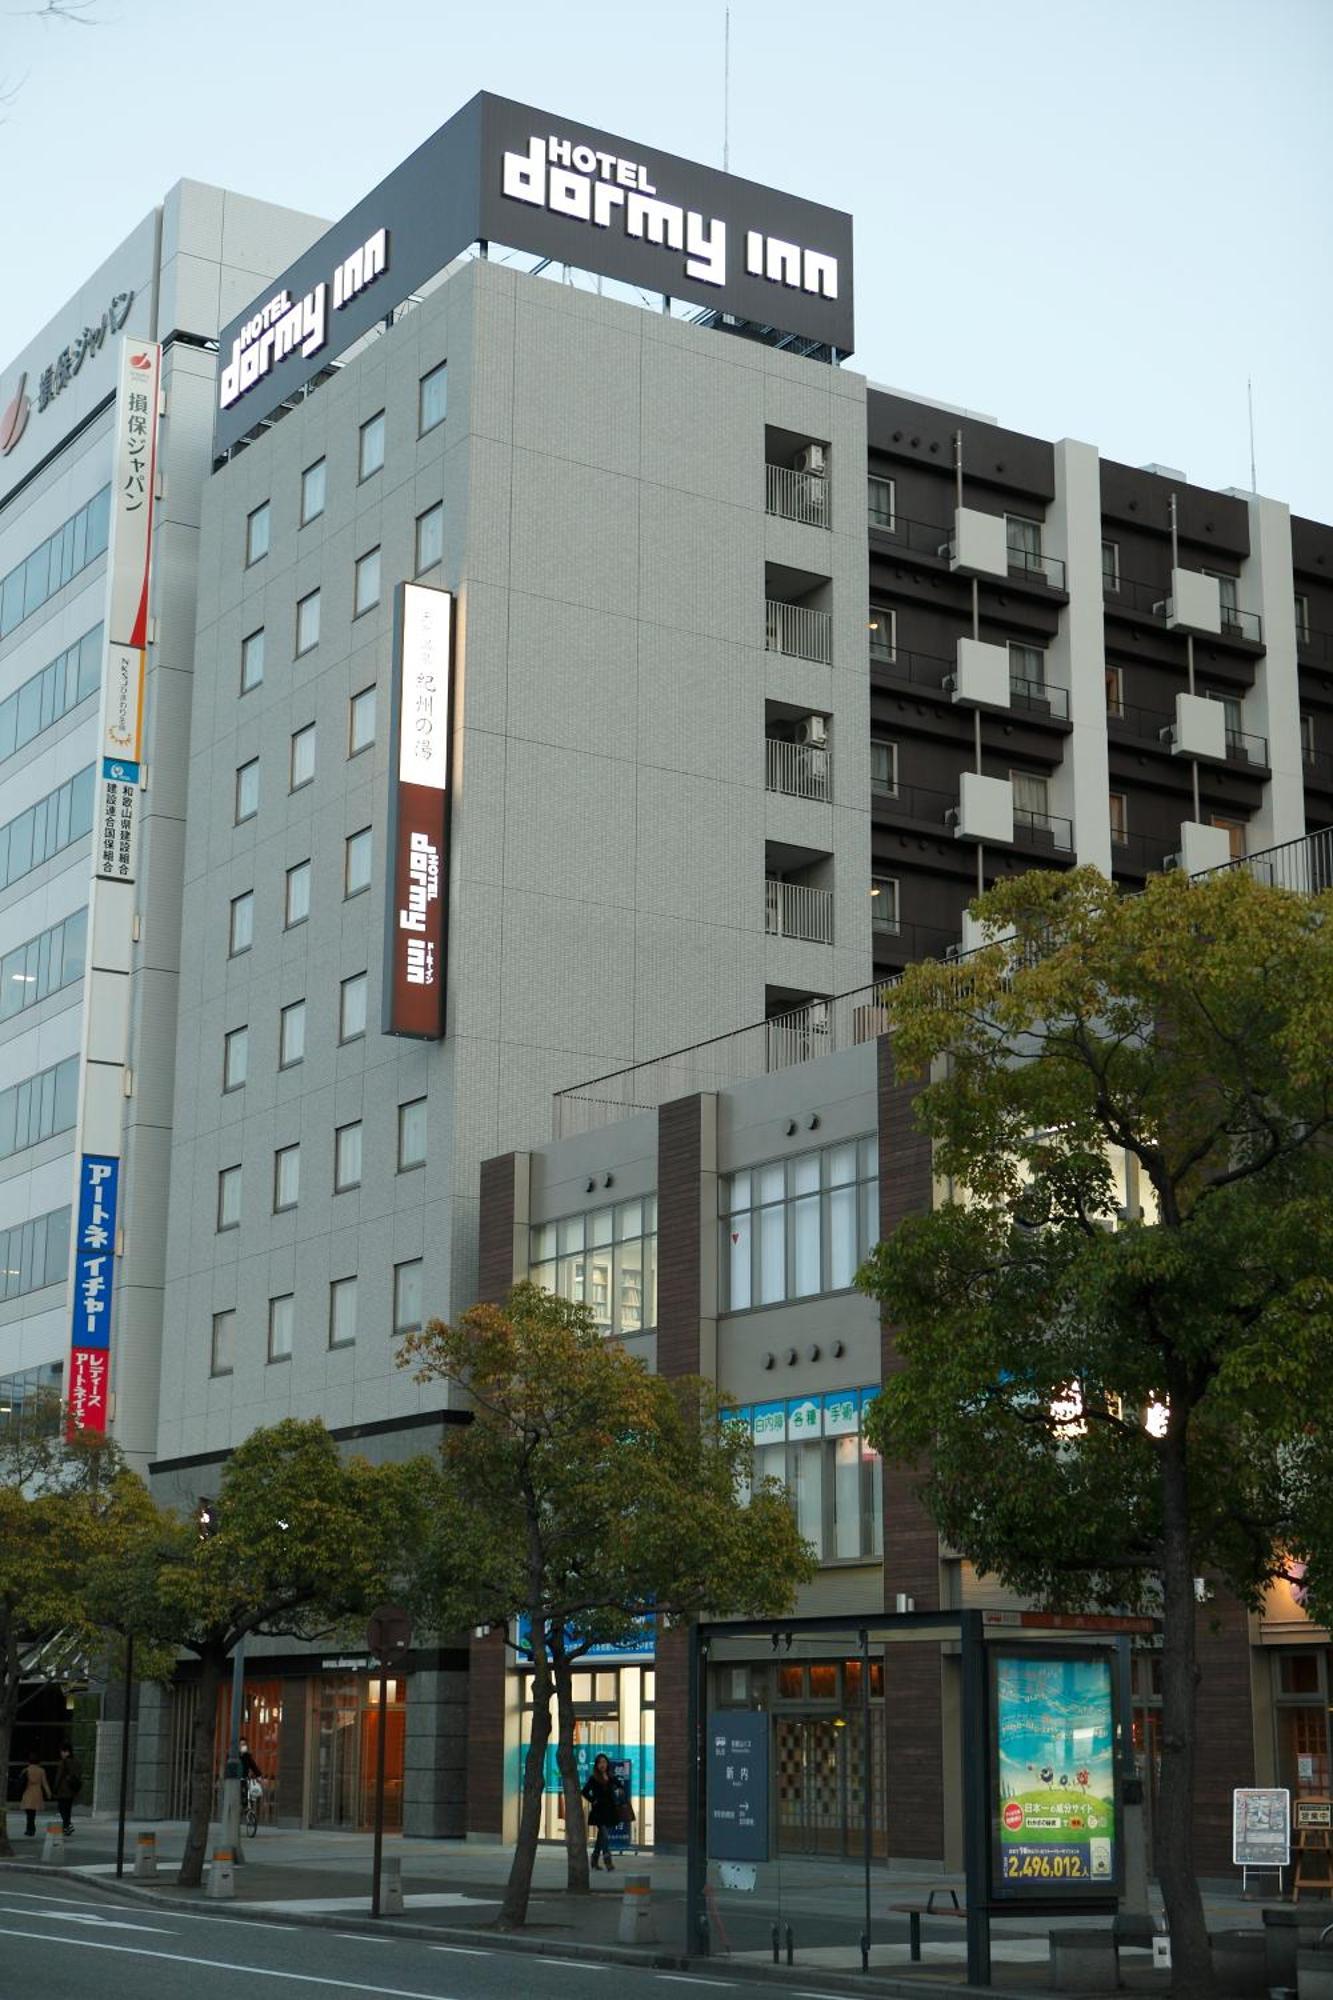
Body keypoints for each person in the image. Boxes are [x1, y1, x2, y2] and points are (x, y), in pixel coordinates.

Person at [581, 1753, 629, 1873]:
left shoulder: (611, 1776)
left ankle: (594, 1858)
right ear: (597, 1765)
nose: (602, 1765)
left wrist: (618, 1790)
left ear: (607, 1764)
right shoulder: (593, 1778)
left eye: (604, 1762)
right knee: (605, 1834)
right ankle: (608, 1861)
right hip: (599, 1811)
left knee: (601, 1836)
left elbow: (621, 1786)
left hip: (609, 1810)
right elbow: (584, 1792)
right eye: (600, 1763)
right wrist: (594, 1800)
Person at [53, 1744, 82, 1835]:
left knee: (62, 1808)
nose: (61, 1754)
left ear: (67, 1752)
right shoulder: (77, 1761)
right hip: (73, 1788)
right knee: (68, 1809)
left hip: (64, 1789)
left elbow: (59, 1776)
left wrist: (55, 1788)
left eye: (62, 1752)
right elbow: (79, 1774)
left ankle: (67, 1825)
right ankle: (67, 1827)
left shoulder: (64, 1762)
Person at [20, 1758, 50, 1837]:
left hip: (28, 1791)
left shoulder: (25, 1770)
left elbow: (21, 1782)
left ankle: (29, 1829)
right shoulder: (41, 1771)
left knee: (29, 1812)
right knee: (33, 1812)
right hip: (37, 1791)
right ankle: (31, 1829)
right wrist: (48, 1793)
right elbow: (45, 1783)